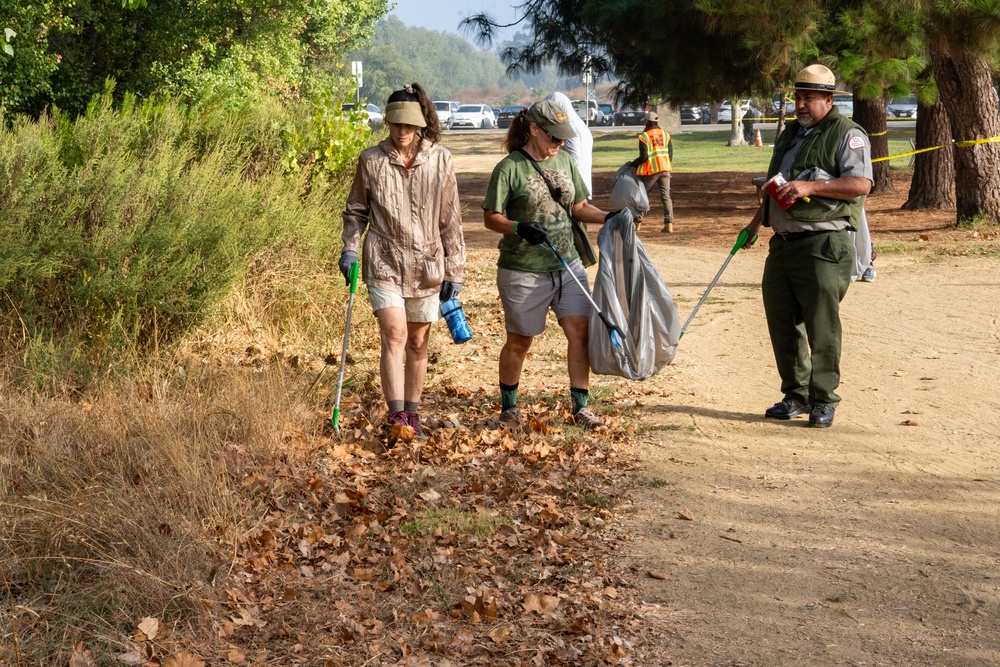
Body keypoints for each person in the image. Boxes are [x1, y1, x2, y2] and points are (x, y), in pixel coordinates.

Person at [742, 64, 873, 429]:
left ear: (829, 100)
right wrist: (756, 223)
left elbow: (862, 184)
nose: (800, 104)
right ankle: (795, 395)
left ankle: (823, 400)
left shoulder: (847, 133)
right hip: (782, 244)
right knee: (782, 321)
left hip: (823, 244)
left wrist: (810, 187)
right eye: (797, 97)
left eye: (808, 98)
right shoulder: (791, 134)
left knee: (821, 326)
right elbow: (777, 185)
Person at [340, 83, 466, 437]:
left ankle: (413, 414)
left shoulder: (440, 159)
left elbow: (450, 218)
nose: (402, 133)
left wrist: (454, 270)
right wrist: (350, 247)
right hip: (384, 261)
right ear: (389, 123)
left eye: (408, 126)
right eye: (396, 125)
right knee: (394, 334)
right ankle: (396, 418)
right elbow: (356, 211)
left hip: (427, 265)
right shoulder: (371, 160)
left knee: (417, 342)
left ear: (420, 125)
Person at [482, 100, 613, 430]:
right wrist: (518, 227)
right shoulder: (509, 168)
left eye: (563, 137)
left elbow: (580, 207)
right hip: (523, 269)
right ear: (534, 130)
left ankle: (581, 407)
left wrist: (610, 217)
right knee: (520, 341)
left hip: (567, 265)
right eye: (554, 137)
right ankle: (509, 408)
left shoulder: (566, 162)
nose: (560, 143)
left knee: (579, 333)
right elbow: (490, 217)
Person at [629, 112, 674, 233]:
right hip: (665, 168)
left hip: (652, 171)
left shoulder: (644, 136)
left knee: (644, 196)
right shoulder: (666, 134)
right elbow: (670, 154)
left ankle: (637, 222)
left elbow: (644, 157)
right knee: (666, 196)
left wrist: (632, 164)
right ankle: (669, 223)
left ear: (646, 121)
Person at [547, 92, 594, 198]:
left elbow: (574, 159)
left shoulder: (570, 126)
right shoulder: (579, 123)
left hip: (573, 189)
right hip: (579, 186)